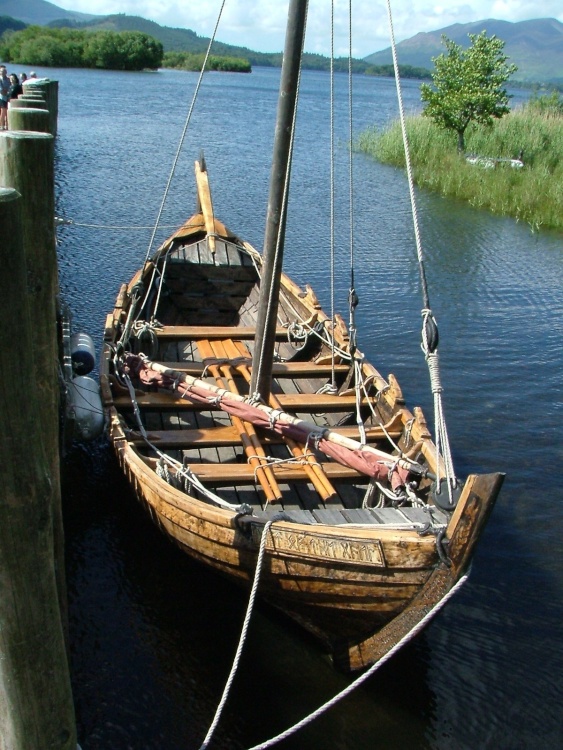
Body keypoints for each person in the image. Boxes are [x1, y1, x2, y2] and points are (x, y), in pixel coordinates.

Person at [0, 65, 9, 130]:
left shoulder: (8, 79)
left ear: (6, 72)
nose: (2, 72)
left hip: (8, 98)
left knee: (7, 112)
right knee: (3, 112)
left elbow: (10, 88)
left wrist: (6, 90)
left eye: (3, 71)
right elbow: (1, 91)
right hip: (2, 98)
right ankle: (1, 126)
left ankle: (6, 125)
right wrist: (6, 90)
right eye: (1, 71)